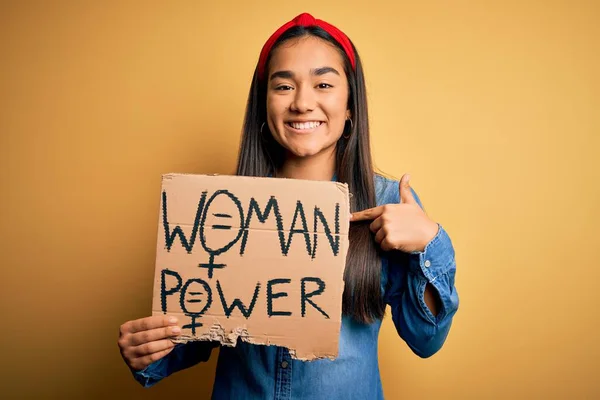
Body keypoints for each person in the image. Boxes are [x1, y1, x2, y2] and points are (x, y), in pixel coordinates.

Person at [118, 12, 459, 399]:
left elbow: (426, 340)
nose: (302, 102)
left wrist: (431, 243)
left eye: (324, 84)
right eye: (283, 87)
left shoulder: (387, 204)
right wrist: (150, 350)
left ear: (350, 105)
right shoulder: (223, 209)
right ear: (264, 105)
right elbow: (202, 328)